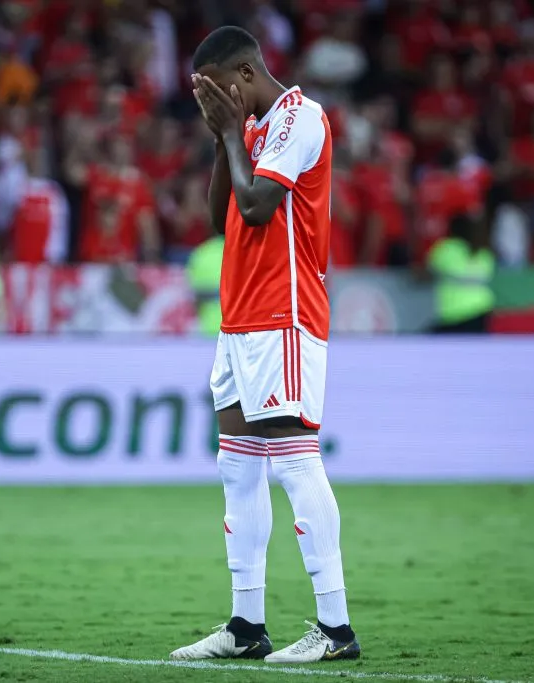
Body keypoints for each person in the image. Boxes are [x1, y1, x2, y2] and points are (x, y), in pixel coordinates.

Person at [170, 26, 360, 664]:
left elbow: (257, 209)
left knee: (294, 460)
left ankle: (335, 629)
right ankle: (246, 624)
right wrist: (222, 138)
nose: (218, 105)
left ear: (246, 73)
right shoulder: (247, 131)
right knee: (238, 465)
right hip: (239, 319)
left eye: (219, 91)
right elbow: (217, 214)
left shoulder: (301, 117)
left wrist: (230, 133)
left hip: (286, 312)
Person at [427, 214, 496, 334]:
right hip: (481, 308)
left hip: (452, 311)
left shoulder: (446, 248)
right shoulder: (484, 251)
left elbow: (427, 270)